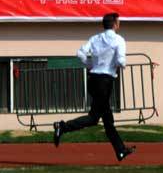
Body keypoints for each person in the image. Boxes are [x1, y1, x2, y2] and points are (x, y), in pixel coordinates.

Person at [53, 12, 136, 162]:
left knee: (104, 120)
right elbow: (121, 61)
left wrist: (91, 65)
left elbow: (80, 54)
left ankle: (120, 150)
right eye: (119, 22)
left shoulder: (95, 38)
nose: (120, 24)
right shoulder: (119, 40)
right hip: (105, 82)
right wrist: (119, 65)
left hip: (93, 79)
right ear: (115, 24)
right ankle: (62, 126)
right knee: (96, 119)